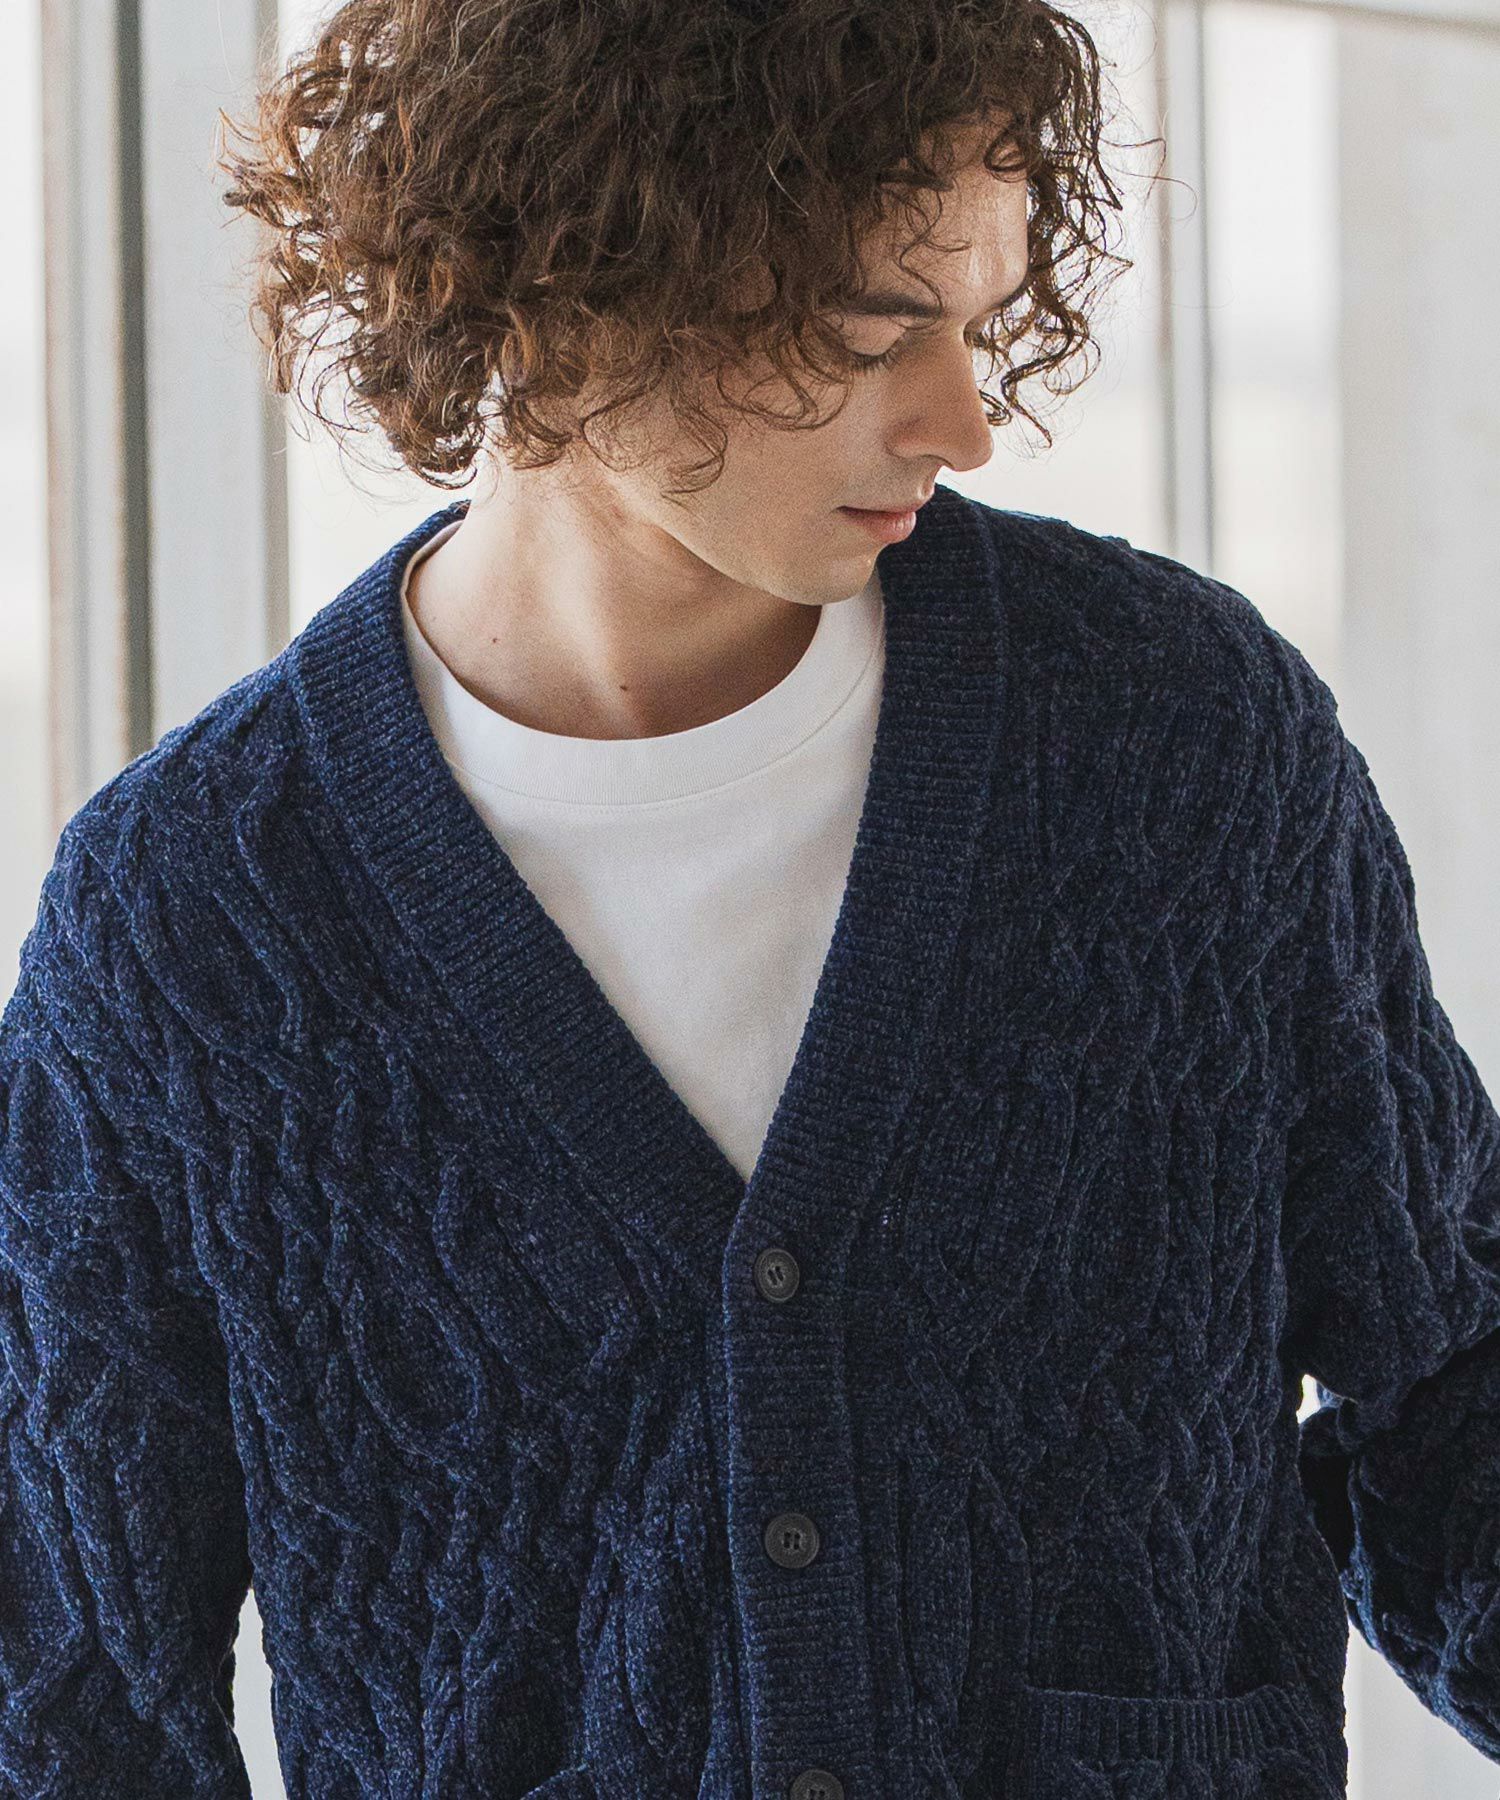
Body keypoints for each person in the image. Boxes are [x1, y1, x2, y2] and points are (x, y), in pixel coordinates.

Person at [4, 3, 1499, 1798]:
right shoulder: (188, 923)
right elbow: (68, 1700)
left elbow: (1457, 1385)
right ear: (575, 289)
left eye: (979, 323)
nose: (964, 422)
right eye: (874, 335)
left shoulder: (1178, 739)